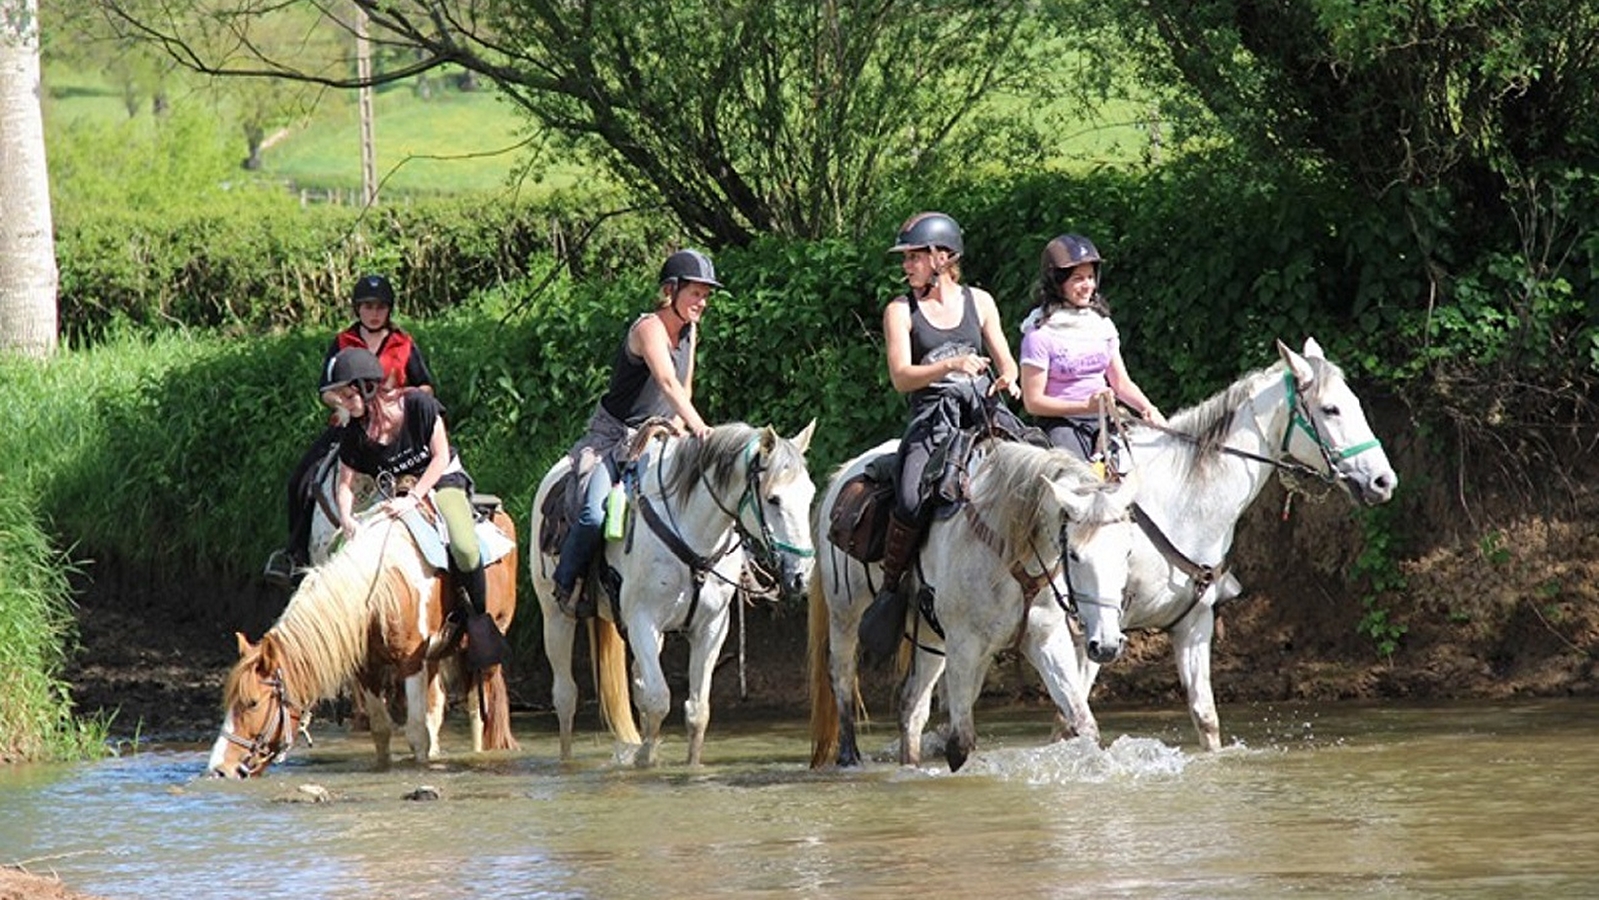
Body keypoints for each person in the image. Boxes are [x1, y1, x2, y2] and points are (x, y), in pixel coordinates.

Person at [858, 211, 1027, 659]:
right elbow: (901, 376)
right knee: (911, 497)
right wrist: (950, 365)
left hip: (982, 411)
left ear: (943, 258)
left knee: (1037, 468)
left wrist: (1007, 378)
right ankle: (894, 588)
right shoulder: (899, 310)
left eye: (914, 256)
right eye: (907, 258)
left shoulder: (981, 301)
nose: (906, 265)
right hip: (932, 417)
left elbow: (1005, 359)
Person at [550, 249, 719, 617]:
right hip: (614, 438)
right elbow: (667, 382)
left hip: (660, 437)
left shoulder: (690, 332)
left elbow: (685, 389)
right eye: (695, 293)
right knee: (594, 513)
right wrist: (700, 428)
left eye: (706, 296)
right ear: (670, 291)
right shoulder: (648, 329)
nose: (702, 302)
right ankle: (567, 584)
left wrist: (679, 427)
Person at [263, 274, 434, 587]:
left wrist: (402, 399)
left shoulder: (404, 344)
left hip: (394, 429)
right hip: (350, 425)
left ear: (389, 310)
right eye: (368, 306)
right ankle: (295, 554)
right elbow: (325, 389)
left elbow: (425, 384)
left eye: (380, 306)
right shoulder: (342, 342)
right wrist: (342, 404)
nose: (374, 312)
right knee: (301, 479)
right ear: (358, 309)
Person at [322, 346, 486, 647]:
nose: (342, 404)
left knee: (464, 547)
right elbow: (345, 484)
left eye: (347, 396)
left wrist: (413, 498)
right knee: (343, 553)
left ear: (367, 386)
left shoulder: (419, 404)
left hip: (442, 480)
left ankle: (479, 619)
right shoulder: (354, 432)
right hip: (394, 491)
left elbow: (439, 457)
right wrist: (346, 518)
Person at [1018, 234, 1165, 468]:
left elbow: (1121, 383)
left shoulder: (1101, 326)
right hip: (1062, 425)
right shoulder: (1039, 335)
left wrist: (1149, 409)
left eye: (1090, 277)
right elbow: (1033, 402)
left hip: (1106, 418)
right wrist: (1085, 407)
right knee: (1077, 481)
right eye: (1078, 279)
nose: (1088, 285)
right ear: (1057, 282)